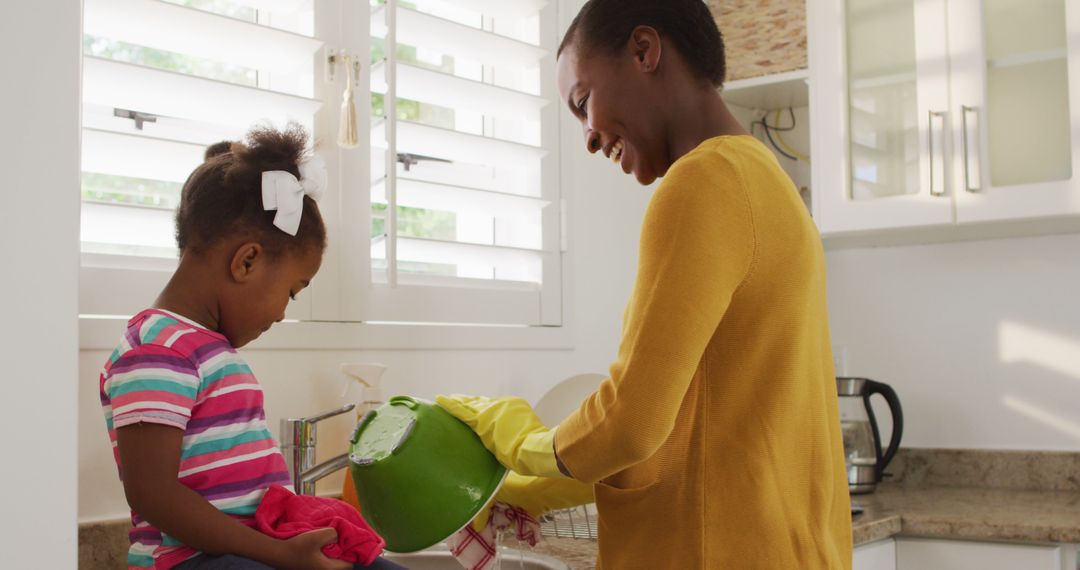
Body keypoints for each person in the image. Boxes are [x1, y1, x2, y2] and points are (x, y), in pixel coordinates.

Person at [437, 0, 853, 568]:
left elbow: (631, 421)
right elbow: (703, 424)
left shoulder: (702, 181)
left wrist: (514, 437)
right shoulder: (769, 185)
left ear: (644, 51)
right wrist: (544, 485)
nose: (587, 137)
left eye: (583, 103)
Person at [98, 125, 403, 570]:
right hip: (191, 561)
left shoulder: (207, 348)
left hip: (250, 549)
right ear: (247, 261)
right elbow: (153, 494)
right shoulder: (157, 350)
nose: (282, 313)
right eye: (292, 292)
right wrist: (279, 553)